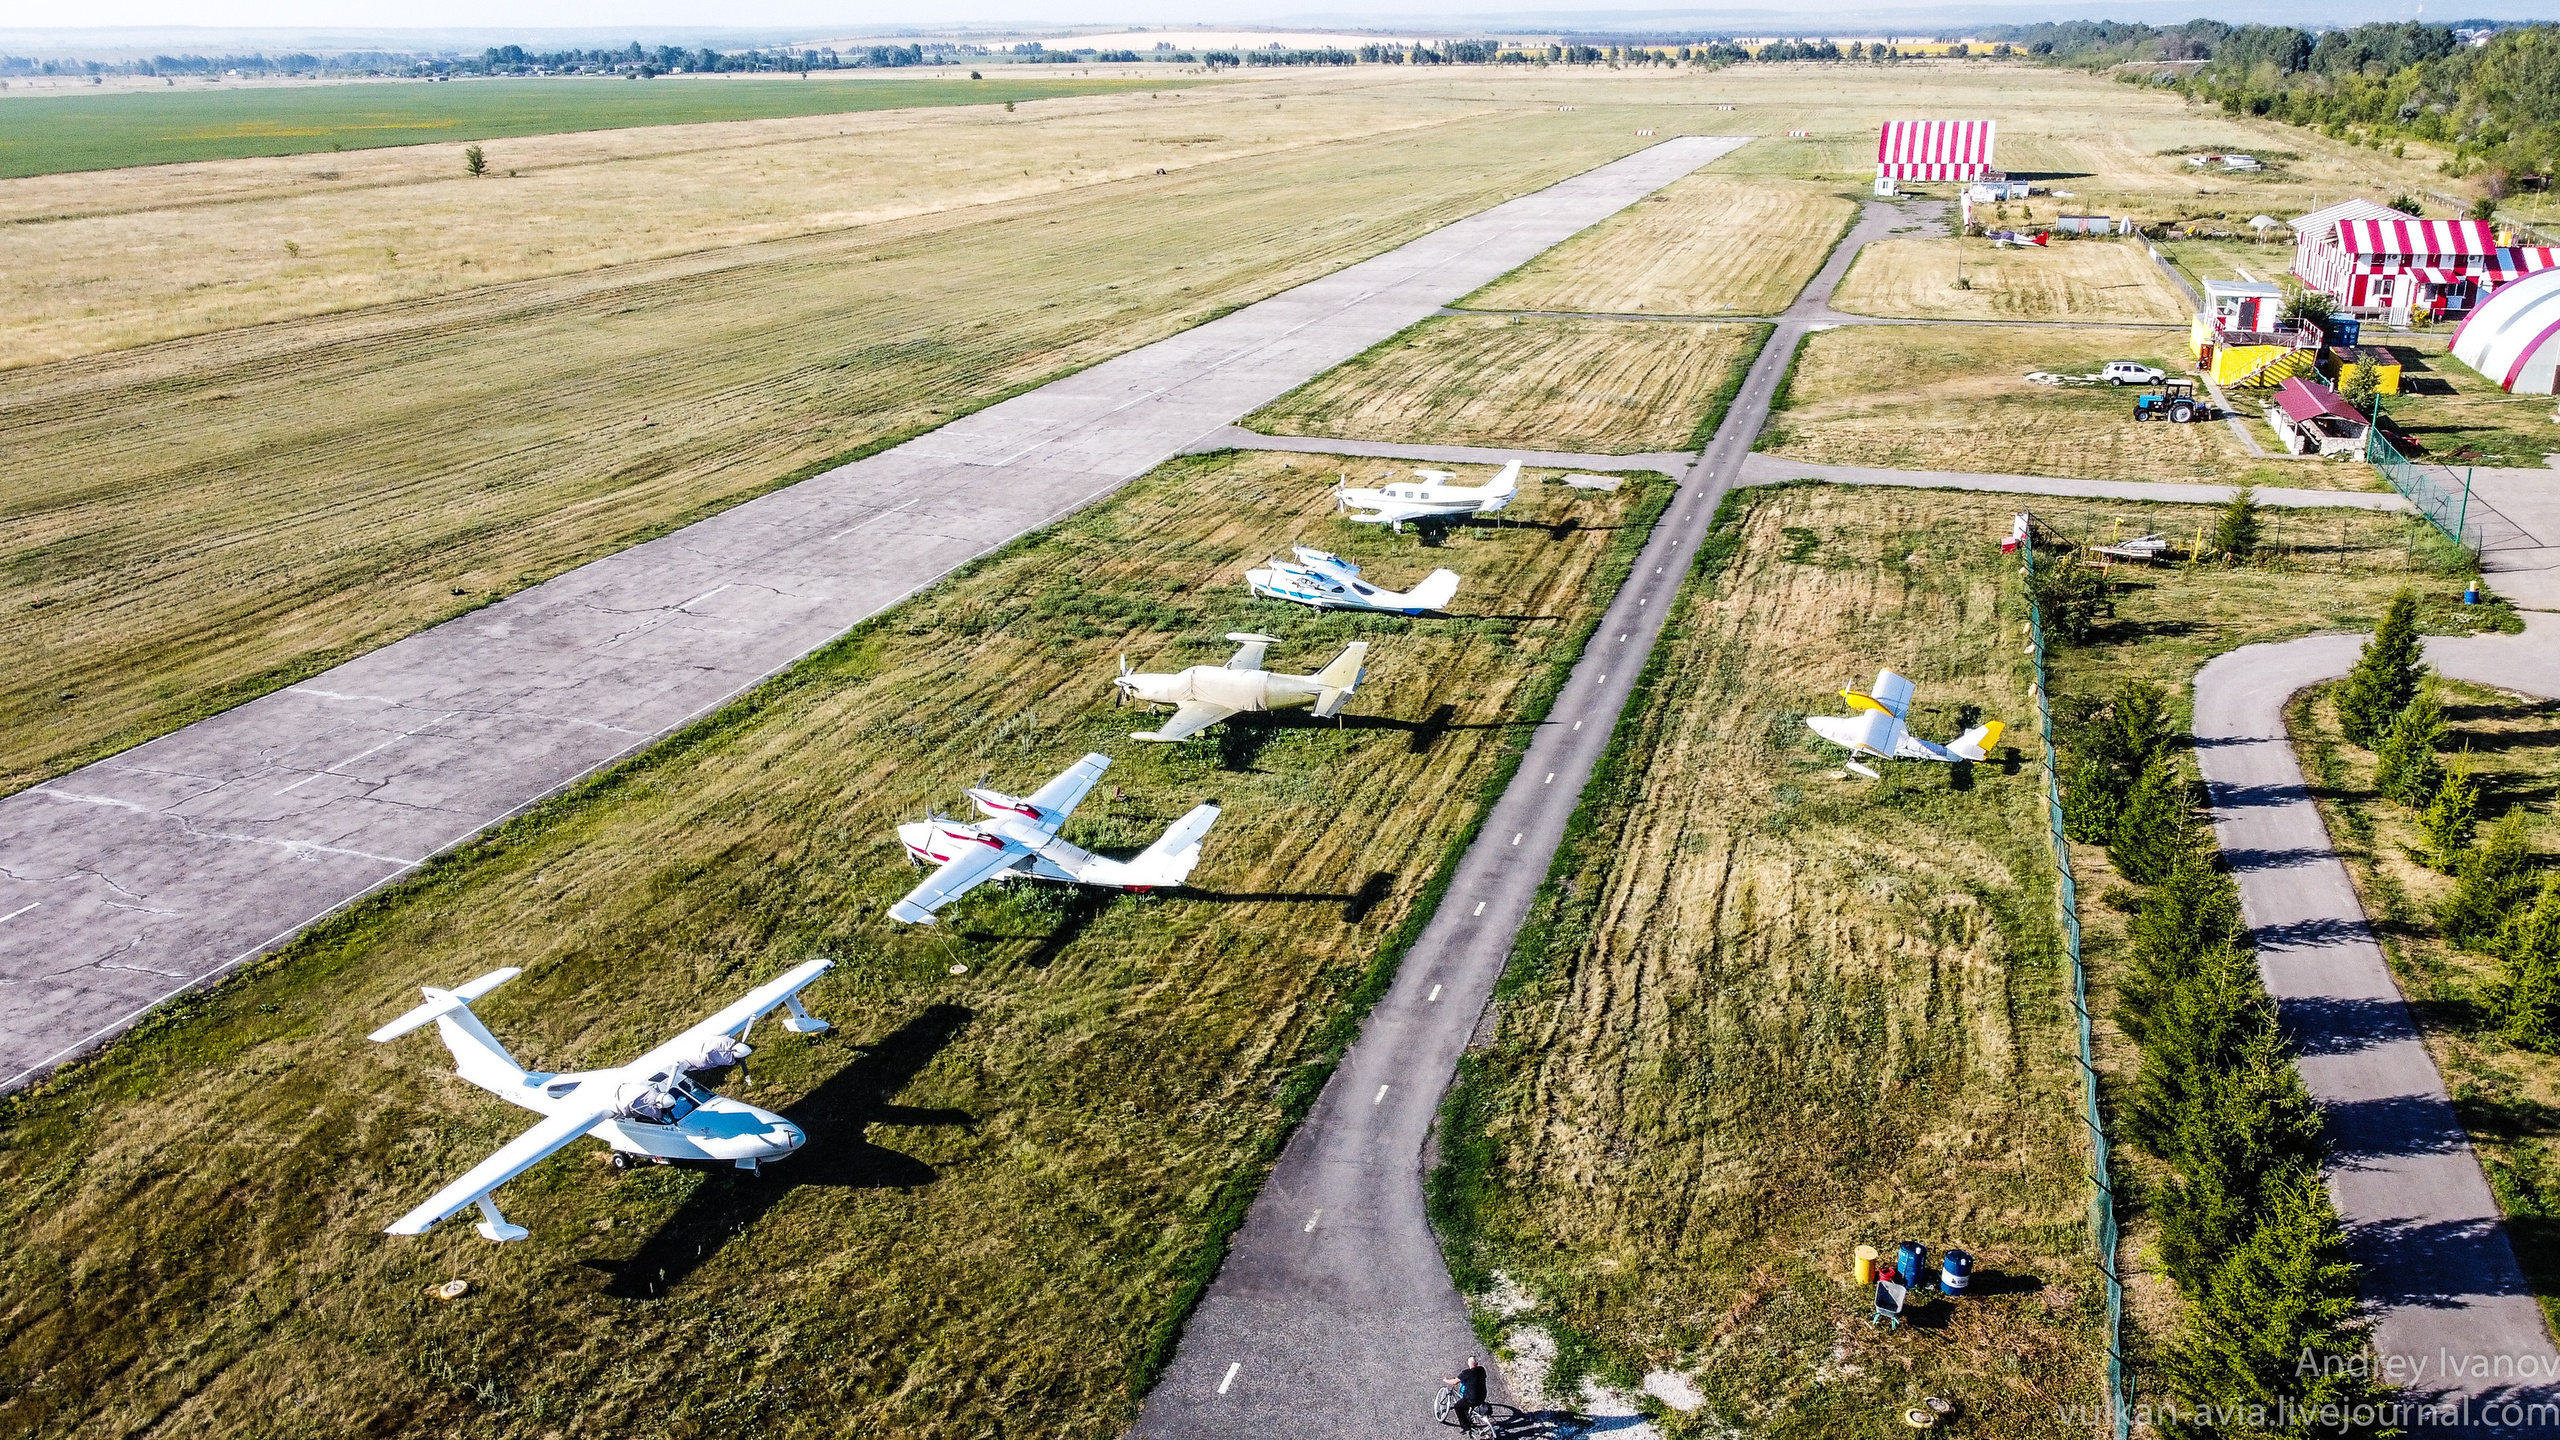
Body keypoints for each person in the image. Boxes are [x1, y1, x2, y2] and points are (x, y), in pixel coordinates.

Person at [1442, 1355, 1488, 1432]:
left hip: (1472, 1399)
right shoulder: (1481, 1369)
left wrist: (1445, 1380)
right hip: (1482, 1396)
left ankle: (1465, 1425)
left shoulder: (1466, 1373)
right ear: (1476, 1363)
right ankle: (1468, 1411)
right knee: (1466, 1402)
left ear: (1469, 1364)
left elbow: (1454, 1382)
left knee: (1457, 1406)